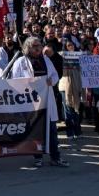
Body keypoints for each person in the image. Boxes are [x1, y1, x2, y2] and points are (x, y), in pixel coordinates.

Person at [11, 37, 68, 166]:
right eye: (34, 46)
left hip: (47, 99)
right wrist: (28, 84)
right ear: (28, 48)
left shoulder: (46, 60)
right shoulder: (21, 62)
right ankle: (38, 157)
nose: (38, 48)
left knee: (52, 130)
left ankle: (55, 157)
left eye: (39, 45)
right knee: (36, 130)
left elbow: (55, 75)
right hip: (31, 102)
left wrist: (51, 81)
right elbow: (15, 81)